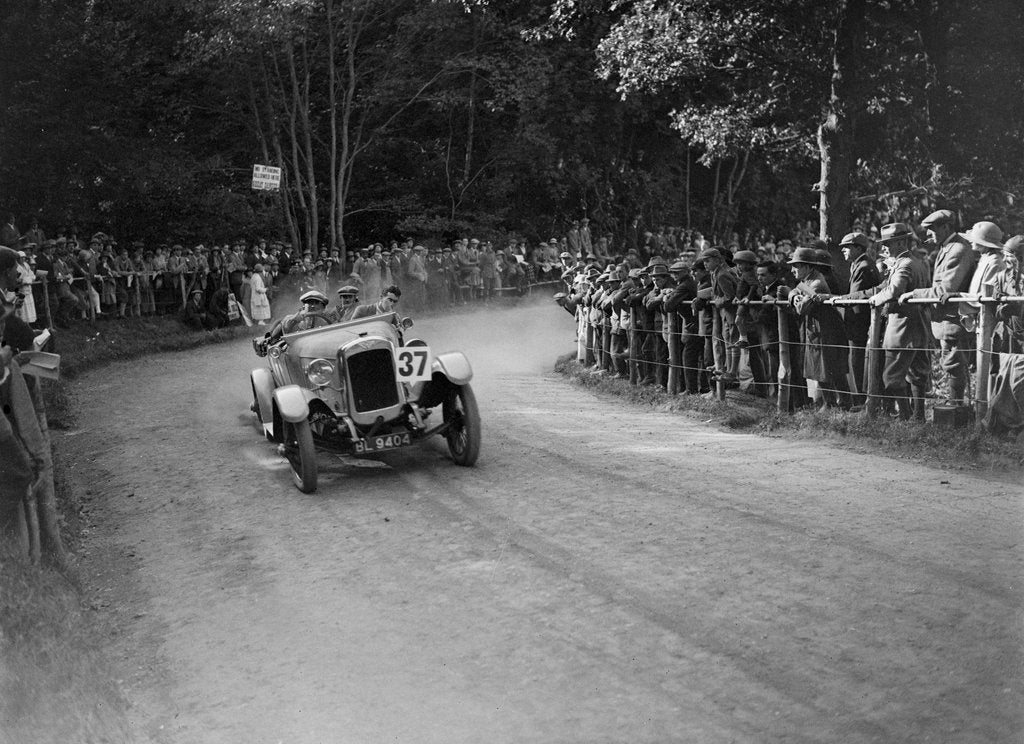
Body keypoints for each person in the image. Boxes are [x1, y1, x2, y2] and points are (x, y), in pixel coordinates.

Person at [841, 222, 931, 420]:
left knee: (891, 377)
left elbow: (894, 289)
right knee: (917, 373)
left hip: (902, 326)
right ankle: (918, 416)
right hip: (919, 325)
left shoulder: (905, 263)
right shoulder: (918, 262)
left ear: (901, 242)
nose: (885, 248)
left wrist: (876, 299)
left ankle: (907, 416)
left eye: (889, 243)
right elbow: (889, 286)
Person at [898, 209, 975, 404]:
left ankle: (956, 408)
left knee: (953, 363)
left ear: (946, 227)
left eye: (932, 229)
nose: (929, 234)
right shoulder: (947, 247)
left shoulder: (958, 249)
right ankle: (955, 406)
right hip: (945, 319)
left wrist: (914, 294)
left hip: (954, 319)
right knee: (950, 363)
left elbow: (946, 289)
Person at [840, 232, 882, 404]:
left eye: (847, 247)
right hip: (858, 321)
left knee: (858, 360)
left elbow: (855, 297)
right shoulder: (859, 264)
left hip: (860, 322)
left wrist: (838, 299)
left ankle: (860, 400)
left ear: (858, 248)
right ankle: (860, 398)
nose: (843, 250)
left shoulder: (863, 266)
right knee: (856, 360)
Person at [267, 289, 333, 342]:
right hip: (301, 345)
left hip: (322, 343)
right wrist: (295, 319)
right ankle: (269, 339)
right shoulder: (299, 318)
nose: (311, 306)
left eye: (314, 303)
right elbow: (288, 331)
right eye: (307, 303)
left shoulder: (329, 315)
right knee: (281, 321)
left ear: (322, 305)